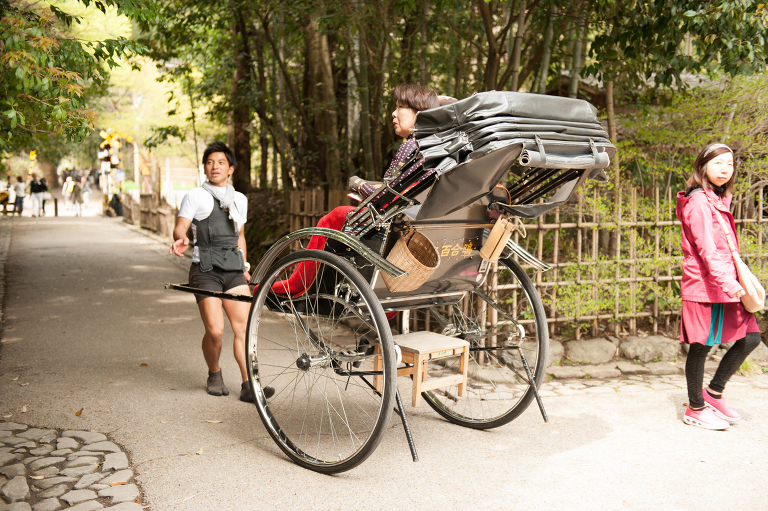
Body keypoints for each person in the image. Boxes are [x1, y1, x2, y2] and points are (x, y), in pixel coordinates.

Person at [170, 141, 272, 402]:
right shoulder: (195, 196)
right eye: (210, 162)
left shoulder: (240, 199)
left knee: (244, 329)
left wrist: (245, 266)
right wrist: (181, 238)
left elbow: (240, 235)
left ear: (231, 169)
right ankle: (214, 373)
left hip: (234, 271)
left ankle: (250, 385)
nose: (215, 167)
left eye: (221, 162)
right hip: (205, 271)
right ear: (205, 168)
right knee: (215, 331)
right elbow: (180, 226)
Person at [676, 142, 761, 431]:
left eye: (729, 164)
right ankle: (695, 408)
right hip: (706, 284)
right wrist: (730, 284)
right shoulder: (699, 201)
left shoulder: (716, 198)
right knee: (701, 346)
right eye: (718, 163)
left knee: (751, 337)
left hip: (723, 282)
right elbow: (706, 249)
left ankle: (713, 393)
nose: (725, 169)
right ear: (702, 167)